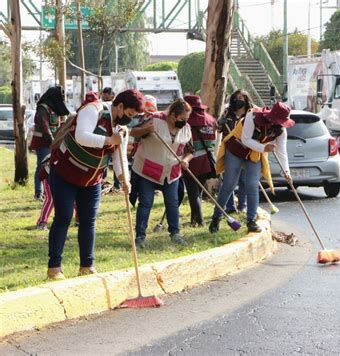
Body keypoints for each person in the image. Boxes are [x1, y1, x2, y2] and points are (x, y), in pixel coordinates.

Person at [46, 89, 144, 280]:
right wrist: (109, 140)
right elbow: (82, 136)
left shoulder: (121, 129)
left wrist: (125, 180)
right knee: (64, 217)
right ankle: (54, 267)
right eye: (130, 114)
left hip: (91, 180)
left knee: (88, 220)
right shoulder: (93, 110)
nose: (129, 120)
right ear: (120, 106)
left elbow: (119, 157)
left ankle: (86, 265)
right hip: (64, 173)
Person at [209, 102, 294, 233]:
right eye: (278, 120)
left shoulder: (281, 131)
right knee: (229, 184)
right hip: (236, 149)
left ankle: (251, 221)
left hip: (254, 154)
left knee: (252, 184)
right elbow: (246, 139)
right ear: (271, 116)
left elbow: (282, 152)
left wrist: (286, 171)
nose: (279, 124)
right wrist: (264, 147)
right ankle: (216, 217)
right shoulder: (253, 116)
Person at [131, 99, 193, 248]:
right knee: (146, 203)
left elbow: (190, 151)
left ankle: (175, 233)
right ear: (172, 115)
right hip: (148, 170)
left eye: (187, 119)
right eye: (183, 119)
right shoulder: (154, 119)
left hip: (171, 172)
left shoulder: (186, 128)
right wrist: (146, 130)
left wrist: (185, 160)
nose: (185, 122)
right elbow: (133, 132)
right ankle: (140, 237)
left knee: (172, 203)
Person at [30, 86, 70, 201]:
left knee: (53, 167)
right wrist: (53, 144)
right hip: (43, 144)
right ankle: (39, 192)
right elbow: (45, 128)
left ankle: (50, 192)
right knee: (42, 166)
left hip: (53, 142)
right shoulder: (42, 108)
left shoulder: (53, 107)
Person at [182, 95, 217, 227]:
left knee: (192, 192)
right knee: (198, 191)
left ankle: (199, 221)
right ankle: (194, 219)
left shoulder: (186, 120)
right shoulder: (210, 119)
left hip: (191, 160)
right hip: (207, 161)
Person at [217, 89, 253, 213]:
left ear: (246, 100)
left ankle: (242, 205)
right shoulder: (228, 113)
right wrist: (220, 123)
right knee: (230, 180)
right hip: (230, 150)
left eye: (242, 99)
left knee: (243, 179)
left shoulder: (250, 114)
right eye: (237, 98)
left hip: (245, 150)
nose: (239, 101)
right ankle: (230, 206)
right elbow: (218, 128)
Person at [36, 154, 79, 231]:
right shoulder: (59, 151)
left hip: (68, 177)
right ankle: (42, 222)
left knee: (74, 199)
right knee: (50, 199)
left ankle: (79, 220)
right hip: (49, 175)